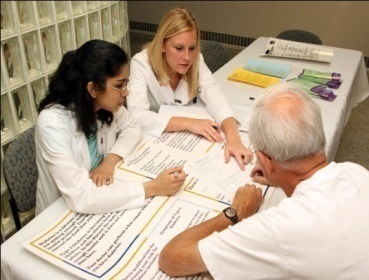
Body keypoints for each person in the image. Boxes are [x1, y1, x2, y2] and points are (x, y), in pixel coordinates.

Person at [158, 83, 369, 279]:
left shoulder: (279, 227)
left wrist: (236, 212)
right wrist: (282, 178)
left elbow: (171, 259)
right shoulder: (357, 172)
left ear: (267, 162)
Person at [35, 39, 186, 215]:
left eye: (125, 83)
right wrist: (152, 187)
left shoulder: (102, 106)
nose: (126, 92)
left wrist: (110, 160)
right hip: (59, 216)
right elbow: (82, 198)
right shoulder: (52, 123)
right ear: (93, 89)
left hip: (102, 196)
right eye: (119, 85)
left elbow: (133, 126)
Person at [127, 7, 252, 170]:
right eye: (179, 48)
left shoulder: (196, 60)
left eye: (192, 48)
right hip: (155, 142)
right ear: (163, 45)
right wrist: (188, 123)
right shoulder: (141, 63)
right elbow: (136, 116)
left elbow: (216, 97)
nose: (187, 57)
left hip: (185, 145)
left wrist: (233, 138)